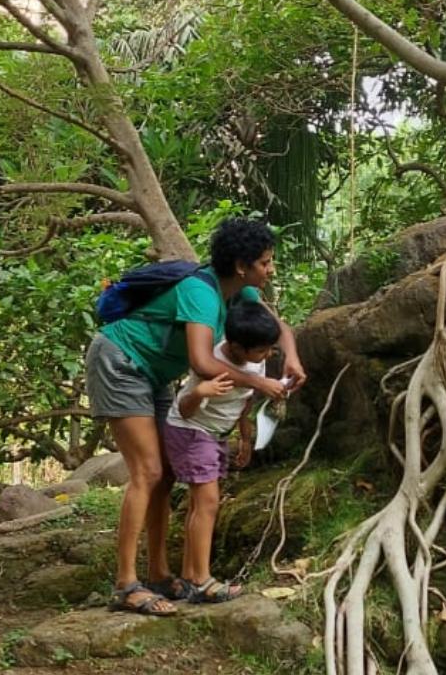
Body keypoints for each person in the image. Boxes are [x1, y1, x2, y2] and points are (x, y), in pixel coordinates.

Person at [84, 217, 306, 615]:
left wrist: (290, 355)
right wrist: (259, 384)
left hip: (153, 373)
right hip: (120, 362)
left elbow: (280, 328)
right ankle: (125, 584)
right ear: (242, 265)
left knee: (166, 475)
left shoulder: (240, 293)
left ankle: (157, 573)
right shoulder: (201, 293)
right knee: (147, 472)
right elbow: (202, 362)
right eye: (265, 262)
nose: (270, 269)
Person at [164, 301, 279, 602]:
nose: (267, 356)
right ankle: (202, 581)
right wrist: (199, 392)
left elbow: (246, 399)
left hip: (216, 433)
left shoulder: (257, 360)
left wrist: (245, 436)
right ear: (237, 348)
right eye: (262, 351)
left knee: (198, 505)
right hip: (190, 430)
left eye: (270, 349)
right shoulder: (211, 363)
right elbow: (186, 411)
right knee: (208, 502)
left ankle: (191, 575)